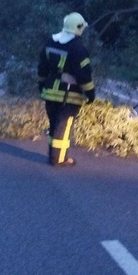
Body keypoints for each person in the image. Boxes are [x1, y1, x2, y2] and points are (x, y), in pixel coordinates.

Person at [37, 12, 95, 167]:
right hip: (69, 96)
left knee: (54, 125)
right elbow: (84, 75)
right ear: (79, 28)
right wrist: (90, 93)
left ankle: (53, 155)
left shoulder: (51, 42)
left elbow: (42, 68)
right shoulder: (78, 49)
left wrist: (41, 85)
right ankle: (59, 159)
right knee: (63, 127)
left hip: (50, 92)